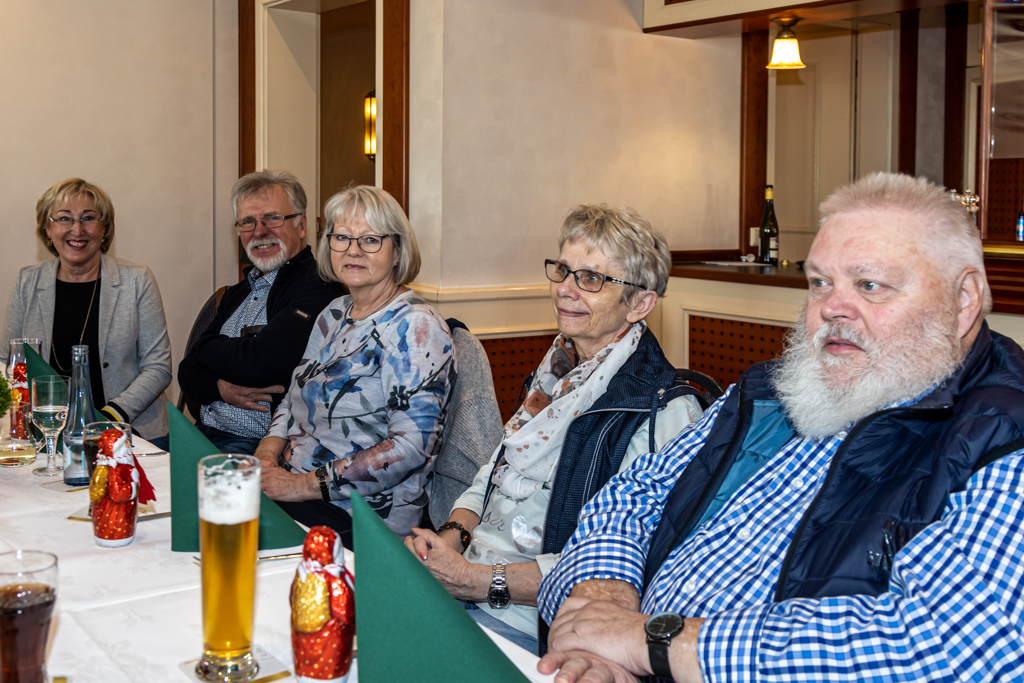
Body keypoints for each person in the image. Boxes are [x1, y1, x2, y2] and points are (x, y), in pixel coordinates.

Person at [534, 173, 1024, 683]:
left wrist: (655, 644)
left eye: (869, 285)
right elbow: (633, 493)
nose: (831, 308)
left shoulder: (1002, 441)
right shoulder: (770, 389)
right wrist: (604, 597)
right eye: (820, 283)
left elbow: (960, 648)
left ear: (963, 299)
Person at [404, 205, 710, 654]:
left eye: (591, 278)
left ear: (640, 303)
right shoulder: (557, 371)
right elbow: (493, 472)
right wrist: (452, 538)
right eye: (563, 270)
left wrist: (474, 580)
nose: (565, 288)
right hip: (468, 583)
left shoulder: (663, 412)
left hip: (539, 625)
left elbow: (623, 562)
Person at [257, 185, 455, 548]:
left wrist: (301, 486)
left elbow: (410, 447)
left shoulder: (415, 327)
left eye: (370, 240)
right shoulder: (334, 312)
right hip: (294, 488)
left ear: (397, 251)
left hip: (360, 515)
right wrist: (266, 453)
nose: (353, 250)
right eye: (342, 237)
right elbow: (293, 394)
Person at [177, 170, 343, 455]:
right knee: (119, 462)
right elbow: (186, 370)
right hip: (201, 434)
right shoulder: (238, 292)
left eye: (273, 218)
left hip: (263, 447)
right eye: (247, 222)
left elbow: (260, 363)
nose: (259, 231)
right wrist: (219, 388)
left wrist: (206, 346)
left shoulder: (320, 288)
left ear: (302, 225)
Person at [1, 178, 171, 441]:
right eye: (64, 218)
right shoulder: (28, 282)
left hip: (127, 431)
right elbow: (8, 362)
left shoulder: (137, 280)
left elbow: (158, 367)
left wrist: (110, 416)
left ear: (104, 228)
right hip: (46, 433)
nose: (77, 229)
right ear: (48, 229)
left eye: (89, 218)